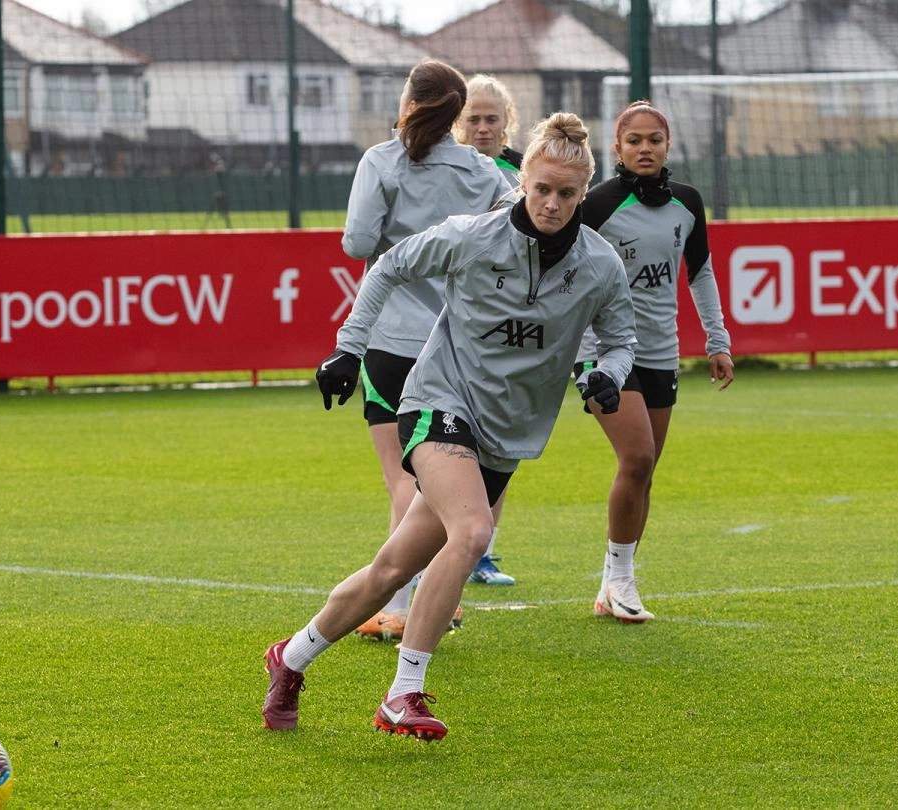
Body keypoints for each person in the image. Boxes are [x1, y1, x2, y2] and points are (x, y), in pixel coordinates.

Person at [263, 112, 636, 741]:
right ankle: (404, 693)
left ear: (583, 192)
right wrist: (348, 350)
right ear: (524, 182)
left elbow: (620, 339)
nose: (551, 202)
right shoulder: (471, 236)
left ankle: (290, 657)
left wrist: (608, 372)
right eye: (541, 188)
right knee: (473, 531)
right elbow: (385, 267)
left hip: (506, 432)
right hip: (438, 401)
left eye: (566, 193)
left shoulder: (599, 265)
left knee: (389, 572)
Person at [340, 60, 514, 639]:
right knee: (450, 475)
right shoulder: (482, 169)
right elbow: (512, 233)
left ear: (409, 102)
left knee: (403, 479)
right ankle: (444, 595)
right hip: (458, 343)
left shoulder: (381, 161)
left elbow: (359, 242)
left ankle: (399, 606)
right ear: (457, 113)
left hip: (392, 338)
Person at [574, 101, 734, 624]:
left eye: (655, 140)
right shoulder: (595, 205)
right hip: (605, 354)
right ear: (616, 149)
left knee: (644, 470)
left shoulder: (687, 203)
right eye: (634, 140)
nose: (645, 148)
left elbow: (701, 273)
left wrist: (718, 339)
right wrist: (577, 355)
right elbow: (566, 278)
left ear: (668, 146)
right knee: (638, 457)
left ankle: (610, 583)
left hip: (662, 353)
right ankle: (622, 580)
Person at [452, 73, 524, 586]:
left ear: (507, 122)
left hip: (512, 323)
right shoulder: (451, 169)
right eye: (472, 118)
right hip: (461, 319)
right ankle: (453, 543)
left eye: (491, 118)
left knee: (501, 441)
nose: (482, 127)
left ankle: (484, 551)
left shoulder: (525, 173)